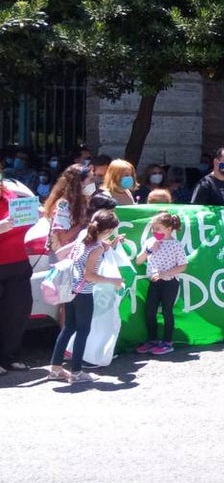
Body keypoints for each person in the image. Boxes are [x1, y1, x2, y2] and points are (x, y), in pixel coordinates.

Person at [48, 209, 124, 383]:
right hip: (84, 293)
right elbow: (90, 275)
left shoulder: (84, 235)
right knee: (83, 331)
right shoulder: (96, 249)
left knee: (68, 328)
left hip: (70, 290)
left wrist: (109, 245)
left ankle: (55, 368)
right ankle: (76, 372)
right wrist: (114, 280)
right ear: (107, 230)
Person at [133, 211, 188, 356]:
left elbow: (182, 266)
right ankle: (152, 340)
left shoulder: (175, 245)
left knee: (166, 311)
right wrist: (149, 250)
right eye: (153, 228)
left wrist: (165, 274)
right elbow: (138, 260)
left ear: (169, 229)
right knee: (150, 311)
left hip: (170, 283)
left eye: (158, 228)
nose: (154, 231)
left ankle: (168, 342)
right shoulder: (151, 242)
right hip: (154, 282)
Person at [0, 163, 36, 375]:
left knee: (17, 312)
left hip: (17, 263)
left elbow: (21, 214)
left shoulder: (8, 191)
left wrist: (35, 214)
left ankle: (10, 356)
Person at [45, 165, 90, 255]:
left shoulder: (82, 201)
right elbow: (63, 237)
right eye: (90, 180)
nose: (93, 184)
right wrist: (84, 224)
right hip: (61, 255)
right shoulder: (63, 204)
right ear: (80, 183)